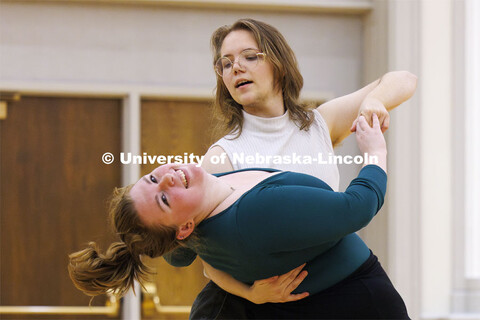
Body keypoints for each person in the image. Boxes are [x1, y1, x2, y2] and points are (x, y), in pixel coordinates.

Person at [166, 18, 416, 318]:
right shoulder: (222, 156)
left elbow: (405, 79)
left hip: (338, 293)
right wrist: (250, 294)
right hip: (267, 305)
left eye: (249, 56)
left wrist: (374, 100)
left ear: (279, 63)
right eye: (226, 63)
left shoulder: (320, 124)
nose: (236, 68)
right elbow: (210, 257)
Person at [68, 114, 410, 319]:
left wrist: (246, 292)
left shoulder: (189, 234)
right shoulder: (255, 216)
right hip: (364, 303)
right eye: (163, 199)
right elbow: (358, 207)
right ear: (184, 227)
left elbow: (184, 259)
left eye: (152, 178)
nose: (168, 177)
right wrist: (375, 153)